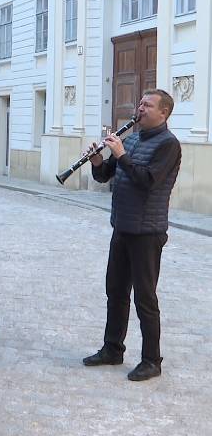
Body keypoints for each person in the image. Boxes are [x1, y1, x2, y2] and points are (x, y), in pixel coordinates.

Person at [83, 89, 181, 381]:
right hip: (122, 227)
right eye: (140, 103)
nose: (140, 108)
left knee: (145, 298)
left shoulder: (169, 145)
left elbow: (148, 181)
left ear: (163, 113)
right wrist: (98, 161)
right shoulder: (134, 137)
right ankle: (113, 348)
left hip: (147, 233)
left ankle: (152, 360)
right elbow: (106, 177)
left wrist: (121, 155)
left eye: (148, 105)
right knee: (115, 290)